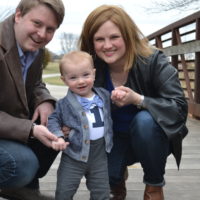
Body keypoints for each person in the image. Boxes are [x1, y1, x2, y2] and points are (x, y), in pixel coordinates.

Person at [78, 5, 188, 200]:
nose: (107, 45)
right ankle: (116, 179)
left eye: (114, 37)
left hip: (152, 139)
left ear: (127, 36)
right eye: (99, 39)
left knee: (144, 121)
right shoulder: (88, 67)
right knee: (104, 181)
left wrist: (138, 100)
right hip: (113, 140)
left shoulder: (153, 61)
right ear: (91, 41)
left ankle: (154, 187)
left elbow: (178, 107)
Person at [0, 0, 65, 199]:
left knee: (65, 118)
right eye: (37, 23)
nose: (42, 34)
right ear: (18, 15)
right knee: (20, 164)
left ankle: (22, 184)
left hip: (9, 124)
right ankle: (14, 182)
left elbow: (35, 83)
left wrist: (44, 100)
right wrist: (31, 129)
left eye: (50, 29)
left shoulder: (35, 47)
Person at [47, 51, 113, 200]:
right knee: (64, 190)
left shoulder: (104, 95)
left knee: (101, 191)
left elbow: (116, 105)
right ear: (64, 80)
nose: (81, 81)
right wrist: (58, 137)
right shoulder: (63, 104)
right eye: (73, 78)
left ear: (94, 74)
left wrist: (120, 95)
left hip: (99, 154)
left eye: (85, 75)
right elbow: (53, 120)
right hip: (74, 154)